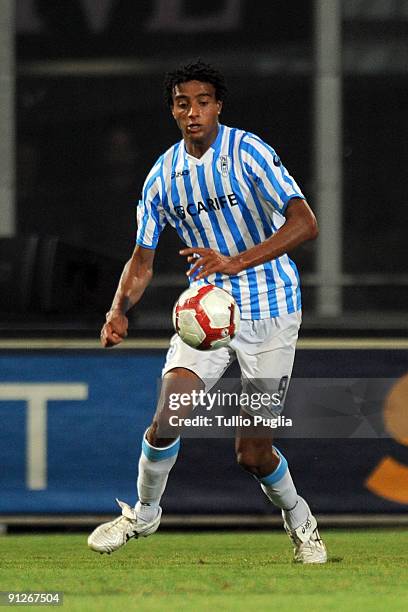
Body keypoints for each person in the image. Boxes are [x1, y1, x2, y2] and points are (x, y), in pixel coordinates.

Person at [88, 60, 327, 564]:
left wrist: (235, 261)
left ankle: (301, 520)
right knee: (167, 416)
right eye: (182, 103)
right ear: (172, 110)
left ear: (218, 106)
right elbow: (142, 260)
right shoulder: (163, 177)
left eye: (202, 101)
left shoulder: (248, 152)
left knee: (252, 453)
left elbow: (305, 224)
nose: (192, 111)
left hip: (271, 311)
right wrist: (118, 309)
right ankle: (144, 513)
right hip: (206, 315)